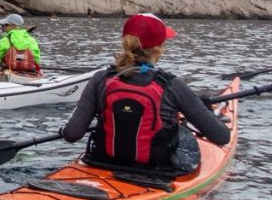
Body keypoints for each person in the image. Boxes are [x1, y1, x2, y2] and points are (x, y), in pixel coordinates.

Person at [60, 13, 231, 172]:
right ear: (159, 48)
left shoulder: (100, 79)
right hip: (156, 171)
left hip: (103, 163)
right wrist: (205, 109)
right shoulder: (172, 85)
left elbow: (71, 134)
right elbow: (221, 136)